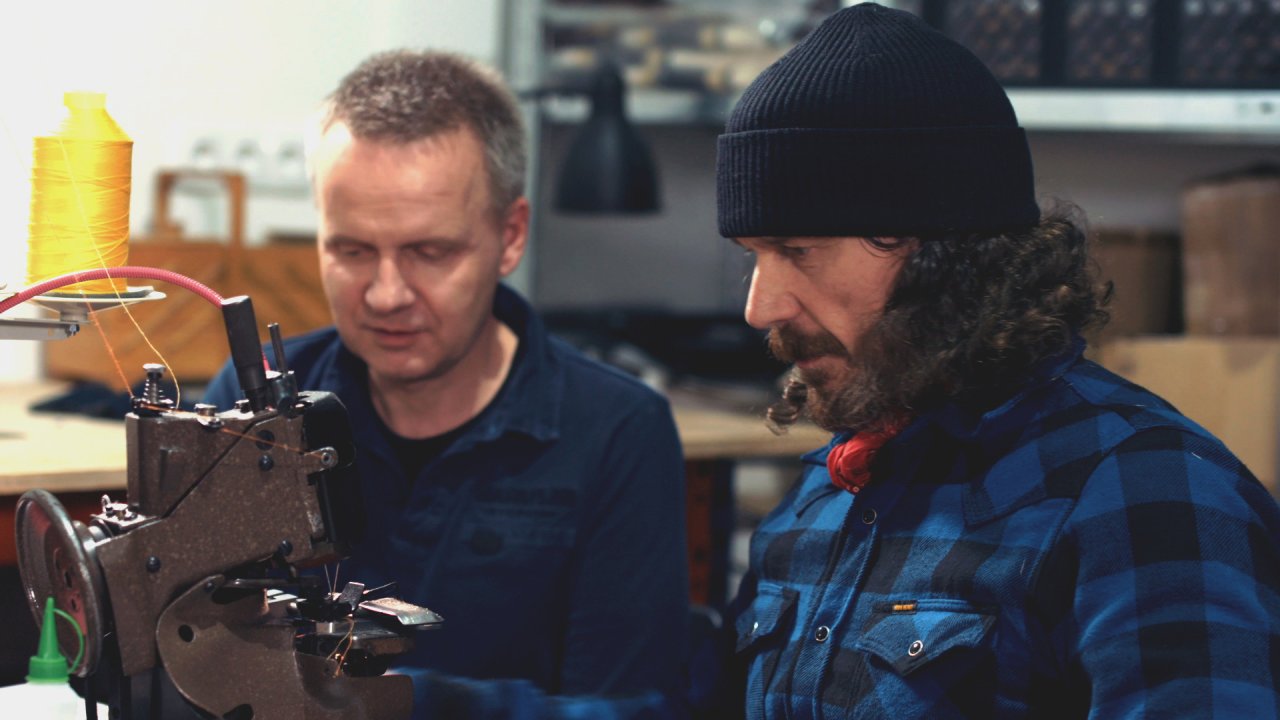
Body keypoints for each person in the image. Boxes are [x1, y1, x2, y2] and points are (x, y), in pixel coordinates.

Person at [714, 4, 1280, 718]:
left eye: (798, 251)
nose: (760, 307)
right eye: (752, 259)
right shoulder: (820, 502)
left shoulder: (1138, 491)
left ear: (947, 254)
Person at [204, 50, 689, 717]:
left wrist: (396, 705)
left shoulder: (615, 433)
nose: (385, 294)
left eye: (429, 253)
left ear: (510, 236)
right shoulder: (251, 397)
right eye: (350, 251)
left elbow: (633, 709)